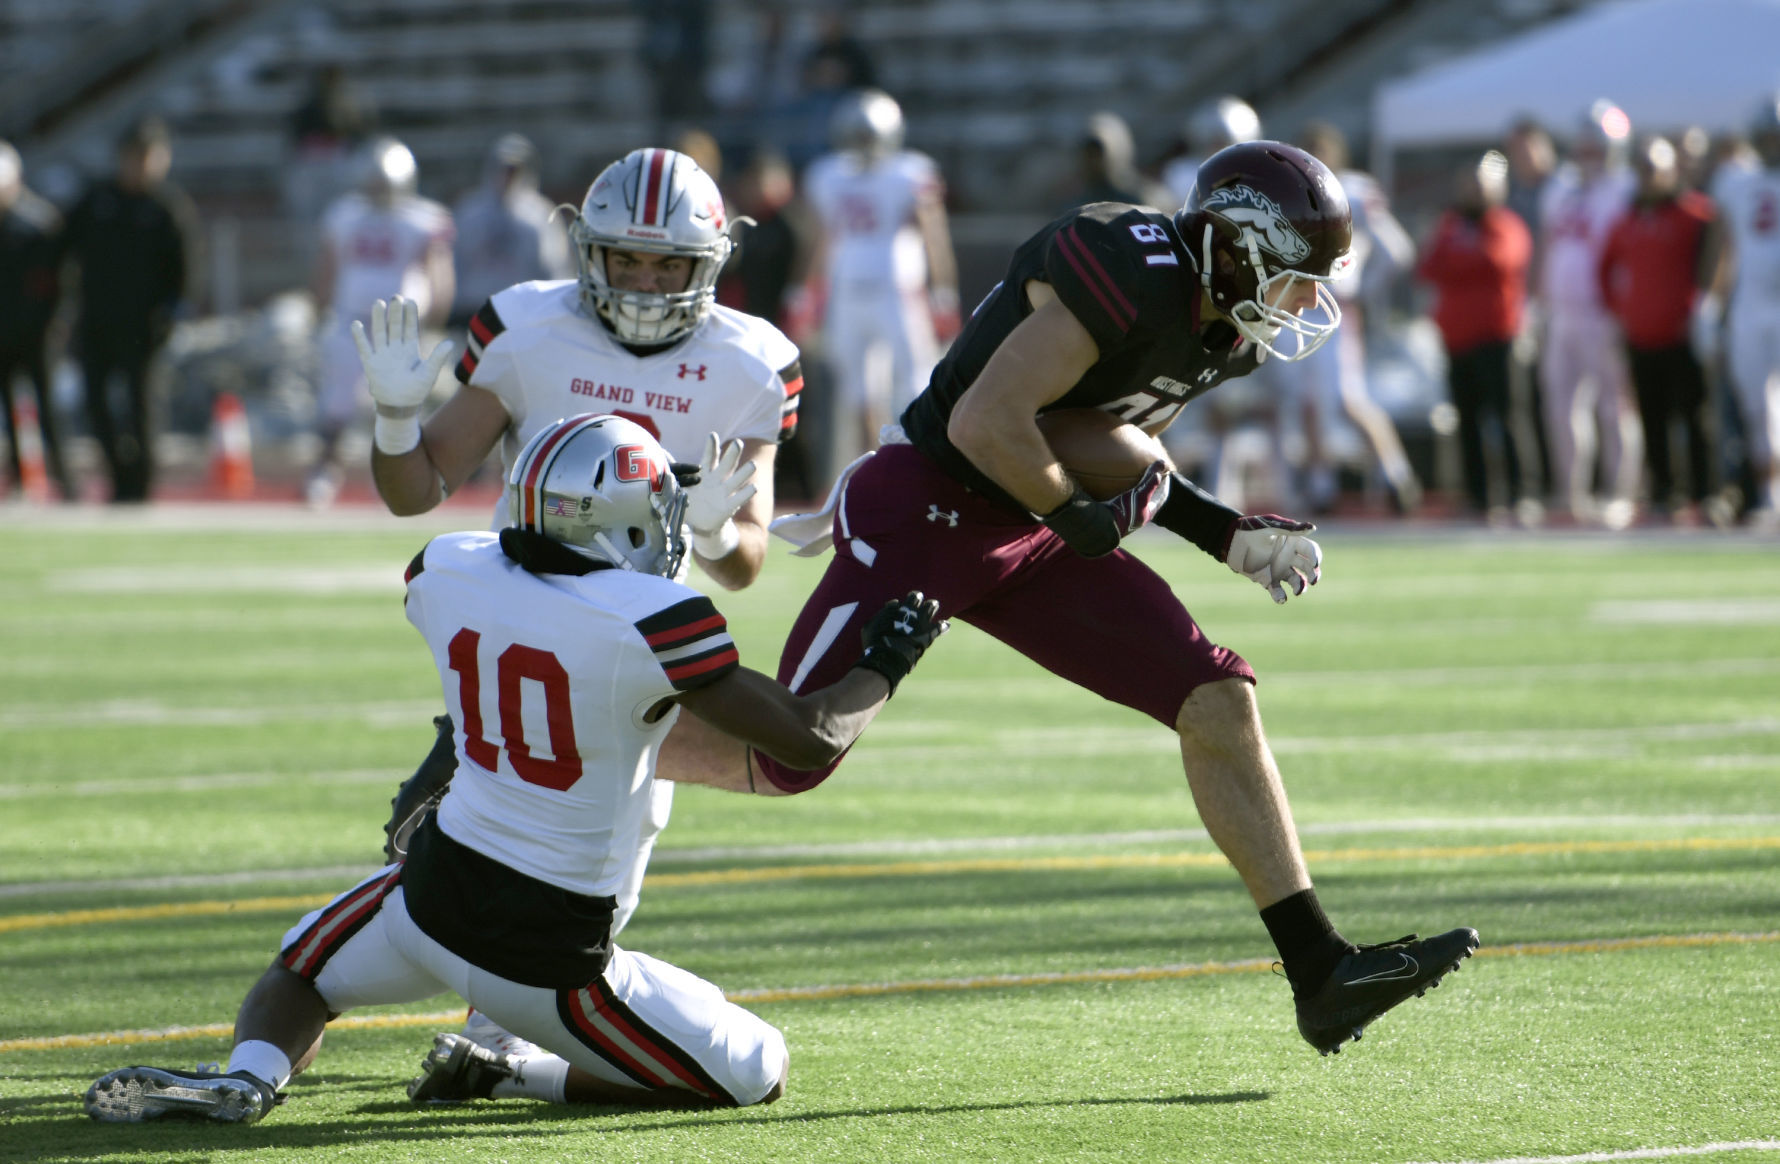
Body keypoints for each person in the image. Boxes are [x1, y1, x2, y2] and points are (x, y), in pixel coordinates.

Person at [758, 141, 1479, 1055]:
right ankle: (586, 754)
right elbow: (991, 421)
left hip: (1030, 520)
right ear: (1239, 247)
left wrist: (1225, 534)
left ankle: (1319, 971)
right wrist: (1081, 518)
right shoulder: (1128, 268)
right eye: (1296, 277)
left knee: (1215, 693)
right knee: (789, 751)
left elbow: (1111, 443)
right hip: (932, 503)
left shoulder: (1227, 330)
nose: (1304, 303)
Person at [81, 413, 948, 1123]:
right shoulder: (653, 618)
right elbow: (807, 738)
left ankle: (252, 1075)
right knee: (758, 1068)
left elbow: (542, 620)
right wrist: (886, 661)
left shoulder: (446, 568)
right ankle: (505, 1073)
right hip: (546, 955)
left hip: (427, 898)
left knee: (301, 969)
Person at [361, 146, 803, 1080]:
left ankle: (505, 1029)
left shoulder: (751, 360)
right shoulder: (528, 327)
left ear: (710, 266)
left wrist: (717, 533)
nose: (645, 280)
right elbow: (416, 492)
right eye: (628, 259)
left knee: (591, 843)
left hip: (638, 645)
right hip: (524, 614)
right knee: (434, 828)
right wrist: (397, 423)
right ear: (588, 250)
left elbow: (747, 562)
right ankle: (493, 1020)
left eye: (669, 264)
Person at [1260, 121, 1421, 515]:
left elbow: (1396, 250)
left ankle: (1396, 475)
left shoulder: (1352, 190)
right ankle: (1321, 484)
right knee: (1305, 401)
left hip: (1333, 306)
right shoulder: (1290, 191)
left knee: (1348, 399)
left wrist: (1365, 290)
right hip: (1296, 306)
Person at [800, 88, 960, 482]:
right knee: (858, 389)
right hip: (850, 288)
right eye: (859, 135)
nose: (864, 144)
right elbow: (821, 236)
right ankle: (877, 472)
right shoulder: (830, 174)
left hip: (897, 287)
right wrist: (806, 289)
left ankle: (921, 464)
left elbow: (932, 234)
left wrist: (943, 290)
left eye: (868, 135)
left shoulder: (909, 171)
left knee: (916, 379)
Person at [309, 135, 454, 507]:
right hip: (351, 321)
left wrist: (436, 315)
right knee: (338, 403)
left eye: (383, 183)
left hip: (398, 327)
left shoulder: (423, 219)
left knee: (400, 408)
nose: (377, 190)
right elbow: (328, 266)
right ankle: (326, 472)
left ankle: (403, 478)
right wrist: (320, 308)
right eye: (373, 182)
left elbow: (438, 273)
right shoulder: (345, 214)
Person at [61, 115, 199, 503]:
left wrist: (171, 316)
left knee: (141, 406)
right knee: (96, 404)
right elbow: (59, 246)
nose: (138, 165)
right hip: (97, 321)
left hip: (144, 326)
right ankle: (117, 477)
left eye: (147, 156)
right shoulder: (97, 200)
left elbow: (185, 272)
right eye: (132, 156)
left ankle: (141, 485)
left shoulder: (167, 208)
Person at [1597, 136, 1720, 522]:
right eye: (1643, 170)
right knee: (1651, 419)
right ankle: (1665, 492)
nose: (1649, 178)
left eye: (1655, 169)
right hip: (1641, 335)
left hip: (1682, 333)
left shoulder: (1695, 214)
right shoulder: (1629, 219)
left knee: (1694, 417)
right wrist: (1622, 312)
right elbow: (1604, 268)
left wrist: (1702, 310)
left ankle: (1706, 492)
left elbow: (1719, 257)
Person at [1536, 100, 1641, 526]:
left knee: (1616, 407)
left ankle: (1621, 492)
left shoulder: (1627, 188)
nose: (1588, 153)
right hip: (1561, 312)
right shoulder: (1558, 189)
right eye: (1583, 145)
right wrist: (1537, 302)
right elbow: (1547, 247)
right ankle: (1572, 492)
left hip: (1605, 311)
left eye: (1596, 144)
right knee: (1561, 406)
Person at [1417, 151, 1536, 520]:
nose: (1473, 193)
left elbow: (1497, 260)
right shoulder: (1451, 224)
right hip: (1457, 340)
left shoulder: (1506, 224)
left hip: (1497, 338)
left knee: (1508, 417)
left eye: (1480, 187)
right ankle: (1478, 494)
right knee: (1467, 420)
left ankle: (1521, 492)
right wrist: (1462, 259)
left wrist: (1460, 260)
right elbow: (1427, 266)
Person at [1708, 94, 1780, 526]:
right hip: (1751, 306)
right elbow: (1723, 247)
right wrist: (1710, 303)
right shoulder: (1735, 182)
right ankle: (1769, 496)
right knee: (1756, 407)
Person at [0, 140, 75, 501]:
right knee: (9, 410)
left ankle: (65, 478)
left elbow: (59, 283)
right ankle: (18, 478)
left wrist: (52, 324)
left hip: (36, 332)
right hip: (2, 333)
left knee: (47, 407)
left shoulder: (39, 224)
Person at [448, 134, 572, 330]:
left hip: (524, 312)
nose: (507, 177)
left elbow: (554, 268)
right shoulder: (470, 212)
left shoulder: (541, 215)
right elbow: (454, 264)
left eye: (514, 171)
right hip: (474, 311)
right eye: (503, 169)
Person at [1160, 95, 1262, 210]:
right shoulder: (1181, 172)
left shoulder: (1248, 179)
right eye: (1215, 143)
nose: (1218, 149)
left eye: (1224, 144)